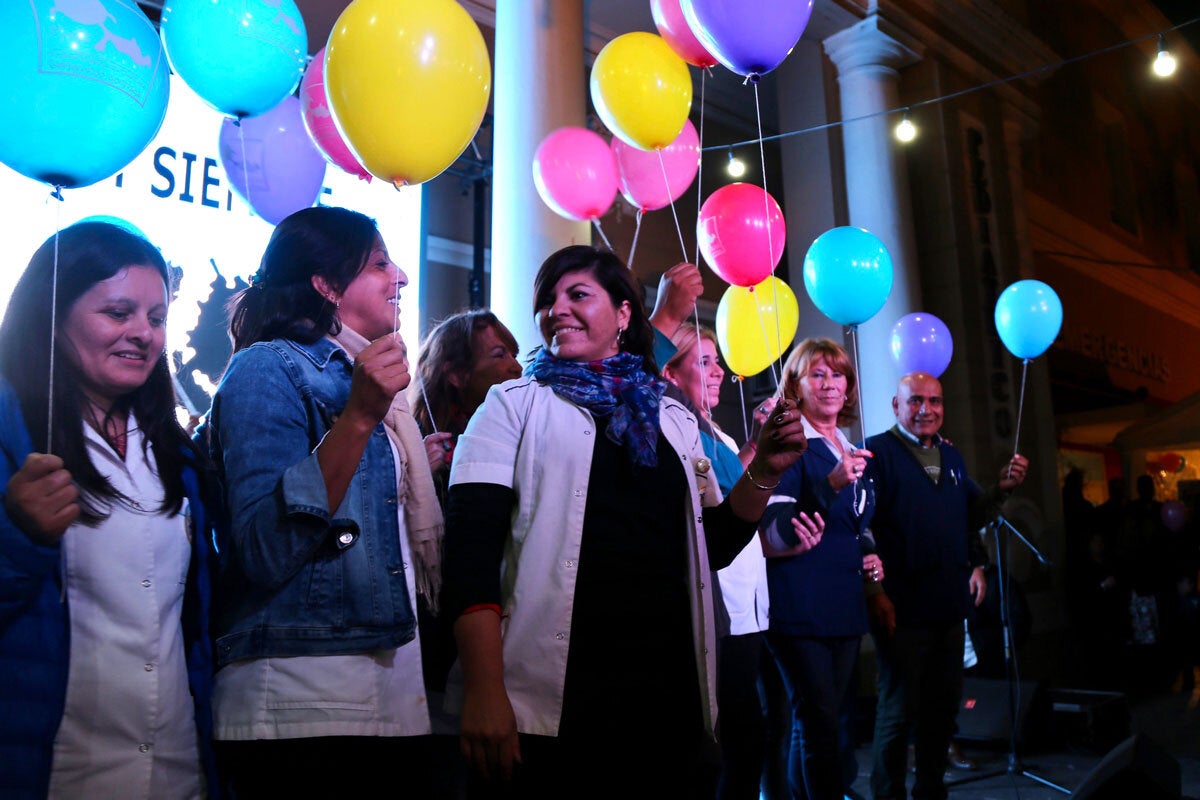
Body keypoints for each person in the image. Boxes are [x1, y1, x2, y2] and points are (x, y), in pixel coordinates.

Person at [441, 245, 813, 798]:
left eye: (577, 294)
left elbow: (706, 546)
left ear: (622, 315)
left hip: (668, 696)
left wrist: (764, 473)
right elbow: (470, 558)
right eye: (547, 300)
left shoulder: (670, 418)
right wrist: (484, 689)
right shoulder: (511, 405)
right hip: (554, 700)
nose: (556, 309)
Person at [206, 206, 447, 797]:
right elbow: (263, 548)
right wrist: (360, 417)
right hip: (300, 705)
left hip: (390, 695)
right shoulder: (266, 369)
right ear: (327, 286)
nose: (402, 279)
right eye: (379, 263)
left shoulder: (368, 386)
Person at [0, 221, 219, 798]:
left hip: (177, 770)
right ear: (52, 312)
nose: (143, 334)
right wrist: (16, 537)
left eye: (155, 317)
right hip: (56, 773)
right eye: (118, 312)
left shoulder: (177, 453)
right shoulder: (11, 432)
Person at [864, 371, 1028, 800]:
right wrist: (876, 593)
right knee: (898, 713)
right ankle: (888, 794)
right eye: (915, 400)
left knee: (942, 711)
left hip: (949, 608)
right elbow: (861, 526)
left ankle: (932, 792)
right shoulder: (876, 452)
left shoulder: (951, 457)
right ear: (896, 406)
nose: (926, 409)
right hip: (901, 609)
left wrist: (1002, 490)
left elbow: (970, 517)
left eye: (935, 401)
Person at [759, 337, 883, 800]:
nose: (831, 384)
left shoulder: (849, 446)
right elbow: (773, 531)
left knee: (827, 722)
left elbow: (857, 524)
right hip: (798, 604)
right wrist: (829, 485)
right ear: (796, 384)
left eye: (838, 374)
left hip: (843, 602)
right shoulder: (789, 443)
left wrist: (868, 550)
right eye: (818, 374)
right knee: (819, 723)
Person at [661, 324, 778, 800]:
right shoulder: (677, 426)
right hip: (717, 602)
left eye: (718, 361)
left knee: (750, 728)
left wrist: (762, 447)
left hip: (748, 605)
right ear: (669, 372)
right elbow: (731, 495)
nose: (719, 373)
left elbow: (737, 479)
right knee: (733, 734)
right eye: (704, 361)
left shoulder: (720, 433)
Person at [410, 308, 523, 504]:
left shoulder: (520, 426)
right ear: (457, 375)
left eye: (514, 355)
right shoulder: (413, 444)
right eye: (500, 355)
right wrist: (419, 476)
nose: (517, 367)